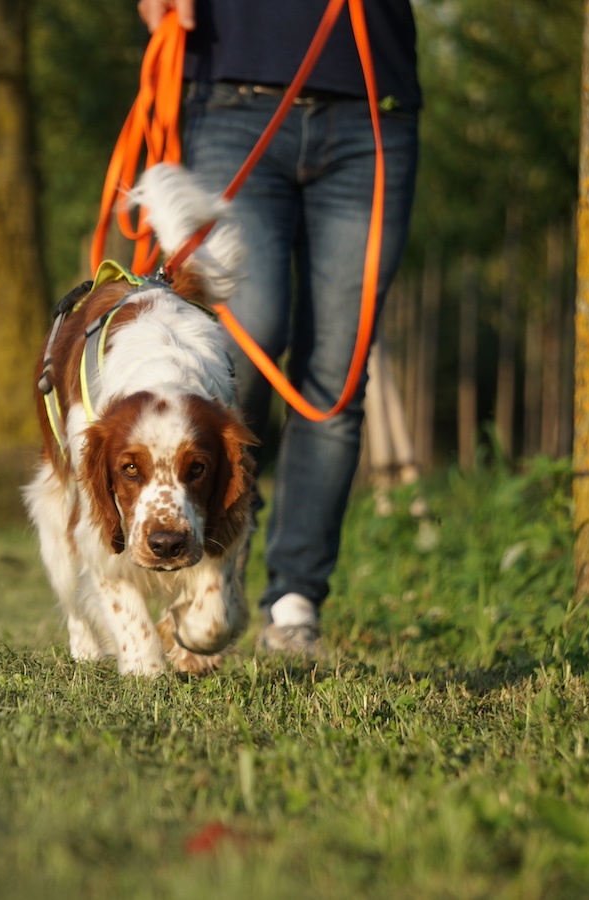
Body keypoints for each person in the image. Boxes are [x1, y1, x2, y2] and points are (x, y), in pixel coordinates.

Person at [137, 0, 422, 654]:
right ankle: (215, 553)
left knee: (336, 376)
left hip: (371, 106)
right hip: (229, 95)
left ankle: (294, 602)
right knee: (247, 339)